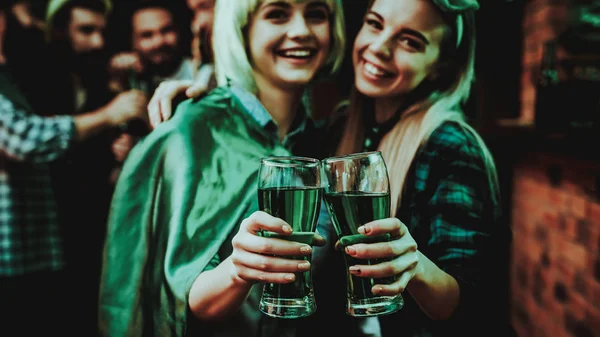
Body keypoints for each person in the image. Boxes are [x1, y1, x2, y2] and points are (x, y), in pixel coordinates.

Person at [148, 0, 514, 336]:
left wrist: (415, 265)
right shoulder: (338, 131)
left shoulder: (451, 145)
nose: (379, 47)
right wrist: (202, 97)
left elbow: (472, 305)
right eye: (374, 24)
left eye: (410, 42)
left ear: (442, 67)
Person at [97, 1, 346, 337]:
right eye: (277, 13)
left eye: (316, 14)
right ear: (241, 31)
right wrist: (237, 269)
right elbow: (177, 295)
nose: (301, 30)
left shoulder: (326, 143)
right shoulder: (193, 128)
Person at [0, 3, 146, 336]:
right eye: (85, 31)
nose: (97, 42)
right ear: (59, 31)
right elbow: (30, 139)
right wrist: (109, 113)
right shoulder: (26, 73)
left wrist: (117, 148)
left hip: (70, 232)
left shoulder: (97, 75)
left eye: (102, 32)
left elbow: (97, 147)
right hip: (25, 236)